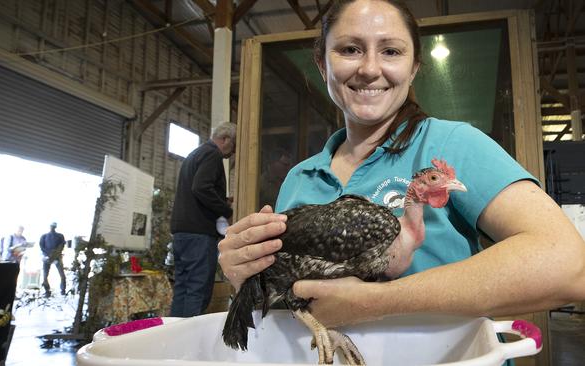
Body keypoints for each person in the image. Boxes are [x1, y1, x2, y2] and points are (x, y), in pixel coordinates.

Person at [218, 0, 585, 331]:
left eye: (391, 51)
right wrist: (247, 274)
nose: (370, 68)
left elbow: (569, 265)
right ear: (322, 63)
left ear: (413, 68)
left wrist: (373, 303)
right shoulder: (299, 178)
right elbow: (296, 304)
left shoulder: (452, 142)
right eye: (349, 49)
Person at [169, 122, 236, 317]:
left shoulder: (194, 154)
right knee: (198, 289)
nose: (232, 155)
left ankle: (174, 338)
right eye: (234, 148)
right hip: (199, 234)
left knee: (182, 287)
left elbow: (198, 187)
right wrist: (226, 209)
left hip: (182, 233)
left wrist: (221, 199)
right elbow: (201, 187)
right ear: (225, 140)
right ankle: (190, 344)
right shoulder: (212, 154)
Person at [39, 222, 66, 297]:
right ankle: (47, 291)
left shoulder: (60, 236)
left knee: (62, 275)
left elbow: (61, 246)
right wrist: (49, 254)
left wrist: (55, 254)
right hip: (47, 257)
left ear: (55, 227)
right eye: (51, 226)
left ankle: (63, 290)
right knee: (45, 275)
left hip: (57, 257)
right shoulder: (44, 236)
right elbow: (41, 246)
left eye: (54, 226)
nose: (52, 227)